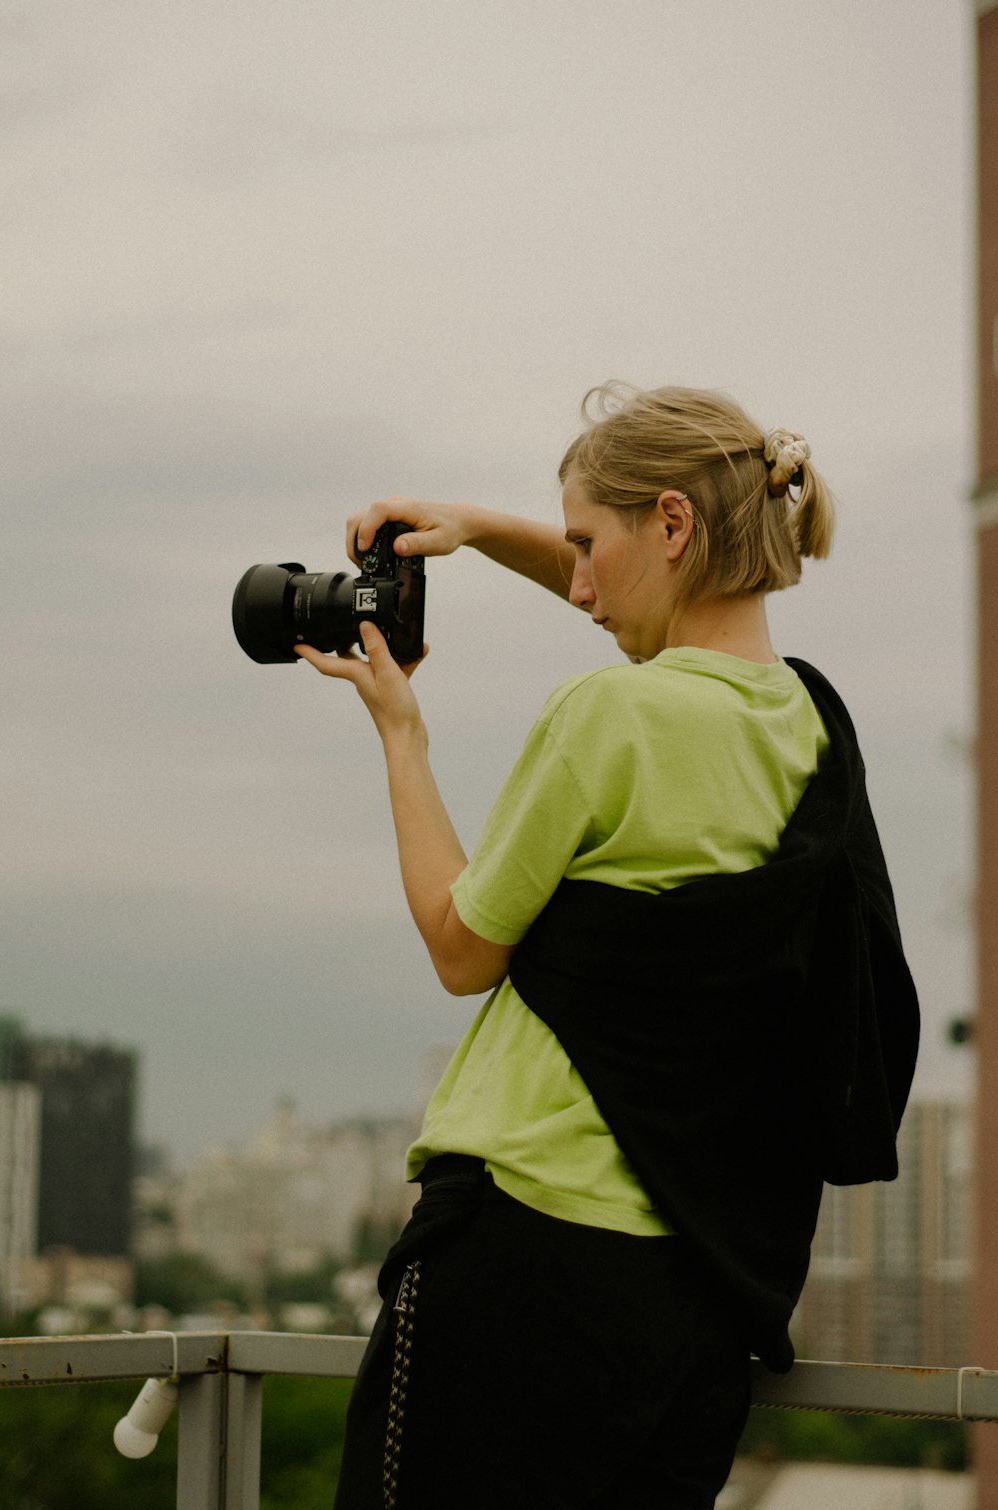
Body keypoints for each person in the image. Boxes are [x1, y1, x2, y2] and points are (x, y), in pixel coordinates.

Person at [295, 384, 920, 1510]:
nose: (578, 585)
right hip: (695, 1296)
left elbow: (460, 946)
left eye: (590, 544)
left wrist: (402, 734)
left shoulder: (604, 717)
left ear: (674, 524)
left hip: (519, 1257)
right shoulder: (809, 728)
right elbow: (646, 614)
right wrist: (484, 533)